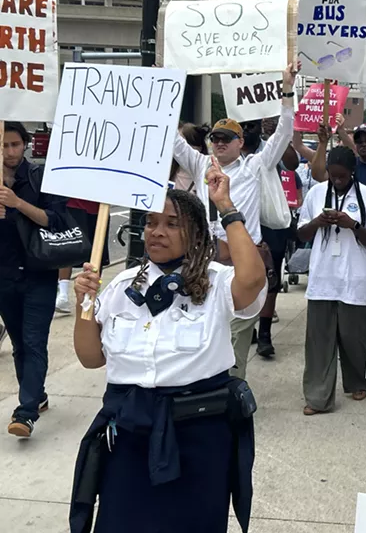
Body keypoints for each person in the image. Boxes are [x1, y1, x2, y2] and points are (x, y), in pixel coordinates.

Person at [70, 160, 266, 533]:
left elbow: (253, 280)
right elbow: (90, 358)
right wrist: (84, 302)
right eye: (151, 223)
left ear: (195, 233)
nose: (157, 232)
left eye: (172, 224)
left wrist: (225, 206)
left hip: (198, 435)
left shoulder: (217, 283)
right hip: (127, 434)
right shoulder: (121, 287)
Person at [171, 63, 298, 379]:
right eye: (215, 137)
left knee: (237, 332)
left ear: (241, 142)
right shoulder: (200, 164)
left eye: (227, 137)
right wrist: (167, 86)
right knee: (204, 327)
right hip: (205, 259)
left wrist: (286, 90)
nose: (220, 142)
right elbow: (172, 140)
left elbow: (284, 131)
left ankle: (232, 391)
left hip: (243, 258)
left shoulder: (255, 166)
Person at [297, 146, 366, 415]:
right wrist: (318, 222)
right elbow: (300, 235)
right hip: (323, 278)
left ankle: (360, 381)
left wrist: (352, 225)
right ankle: (317, 397)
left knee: (354, 336)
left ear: (352, 173)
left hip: (354, 276)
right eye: (333, 176)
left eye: (342, 176)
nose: (337, 181)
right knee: (318, 342)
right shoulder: (315, 193)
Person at [0, 121, 67, 437]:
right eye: (3, 145)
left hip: (39, 273)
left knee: (33, 340)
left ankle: (25, 412)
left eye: (14, 144)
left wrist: (17, 203)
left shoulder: (40, 177)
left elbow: (54, 220)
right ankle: (36, 395)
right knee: (18, 345)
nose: (9, 151)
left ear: (25, 145)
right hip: (4, 275)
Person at [251, 115, 300, 359]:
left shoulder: (269, 148)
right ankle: (247, 325)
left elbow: (292, 164)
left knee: (270, 278)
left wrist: (277, 137)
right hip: (241, 222)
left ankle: (265, 334)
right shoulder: (227, 150)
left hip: (269, 223)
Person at [310, 122, 366, 245]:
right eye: (358, 141)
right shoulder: (349, 166)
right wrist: (323, 143)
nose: (364, 144)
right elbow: (318, 175)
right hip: (353, 246)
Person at [55, 199, 110, 313]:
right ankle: (76, 296)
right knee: (92, 251)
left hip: (91, 205)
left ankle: (68, 295)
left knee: (71, 247)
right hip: (91, 204)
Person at [170, 123, 209, 192]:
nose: (177, 149)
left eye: (183, 145)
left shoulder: (207, 175)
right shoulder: (168, 169)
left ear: (198, 148)